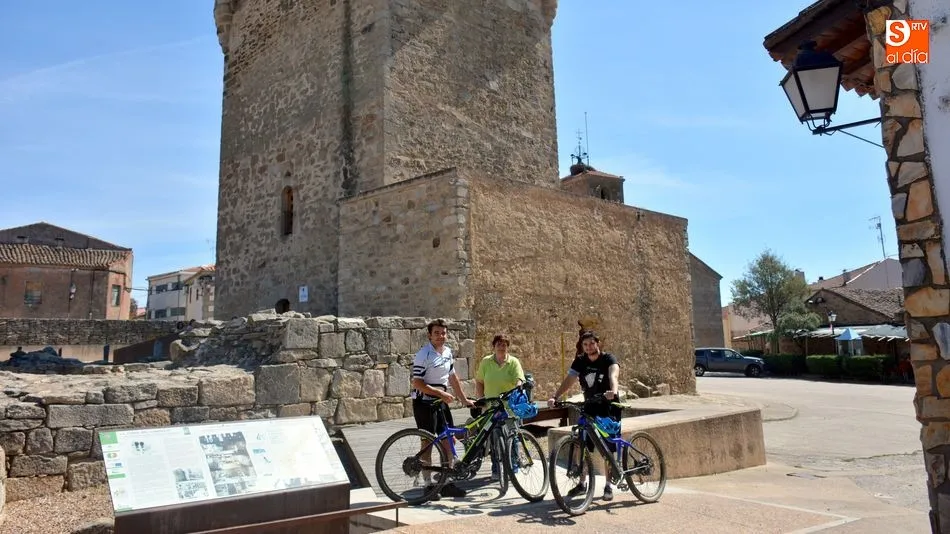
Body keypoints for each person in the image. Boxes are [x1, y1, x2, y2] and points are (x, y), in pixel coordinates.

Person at [547, 330, 621, 501]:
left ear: (598, 343)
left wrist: (613, 391)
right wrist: (555, 396)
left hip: (608, 406)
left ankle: (608, 485)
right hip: (590, 406)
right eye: (585, 345)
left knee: (608, 446)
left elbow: (613, 374)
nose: (588, 347)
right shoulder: (580, 361)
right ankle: (582, 483)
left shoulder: (608, 359)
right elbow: (569, 379)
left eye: (591, 344)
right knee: (582, 444)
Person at [411, 318, 474, 500]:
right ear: (430, 335)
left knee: (448, 441)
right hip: (424, 403)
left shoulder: (447, 352)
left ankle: (446, 484)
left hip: (441, 402)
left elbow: (453, 378)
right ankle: (428, 485)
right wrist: (440, 394)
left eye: (443, 333)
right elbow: (417, 383)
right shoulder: (424, 355)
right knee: (428, 444)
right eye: (437, 333)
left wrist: (464, 399)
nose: (441, 336)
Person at [475, 333, 526, 480]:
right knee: (494, 438)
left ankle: (513, 467)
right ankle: (496, 470)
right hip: (491, 406)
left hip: (509, 406)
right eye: (499, 344)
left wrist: (517, 388)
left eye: (504, 344)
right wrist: (480, 399)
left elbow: (519, 379)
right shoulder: (486, 362)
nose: (501, 347)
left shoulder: (513, 362)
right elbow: (479, 382)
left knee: (512, 436)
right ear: (494, 346)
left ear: (507, 347)